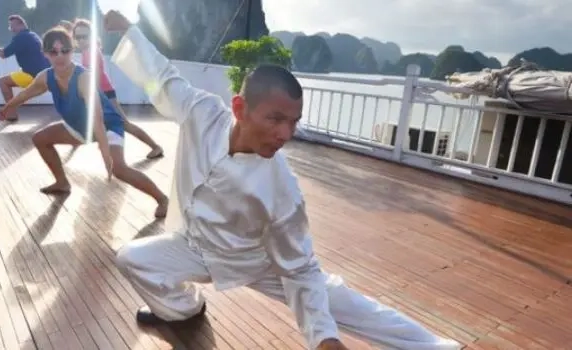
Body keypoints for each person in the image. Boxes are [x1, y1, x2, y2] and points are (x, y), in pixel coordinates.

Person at [102, 10, 462, 350]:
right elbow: (164, 79)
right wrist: (130, 31)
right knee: (131, 258)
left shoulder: (281, 186)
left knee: (337, 298)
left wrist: (323, 336)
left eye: (293, 122)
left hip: (254, 260)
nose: (285, 133)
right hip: (194, 245)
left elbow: (302, 268)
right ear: (240, 109)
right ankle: (182, 309)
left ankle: (434, 346)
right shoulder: (203, 114)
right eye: (275, 119)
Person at [0, 26, 169, 218]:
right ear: (45, 54)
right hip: (79, 128)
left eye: (65, 51)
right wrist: (8, 107)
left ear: (72, 51)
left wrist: (106, 155)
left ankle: (163, 199)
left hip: (107, 125)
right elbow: (25, 94)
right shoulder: (45, 77)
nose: (60, 56)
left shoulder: (84, 78)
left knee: (119, 169)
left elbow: (96, 118)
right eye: (54, 52)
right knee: (40, 138)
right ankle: (62, 183)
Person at [70, 18, 164, 159]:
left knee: (123, 123)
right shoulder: (87, 52)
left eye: (85, 36)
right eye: (78, 37)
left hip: (105, 94)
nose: (81, 40)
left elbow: (94, 78)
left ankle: (155, 147)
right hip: (100, 93)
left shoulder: (91, 52)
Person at [0, 15, 51, 121]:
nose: (11, 29)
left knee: (2, 82)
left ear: (22, 24)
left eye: (13, 26)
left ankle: (11, 114)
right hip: (46, 74)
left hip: (33, 75)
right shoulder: (32, 35)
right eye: (10, 27)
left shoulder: (21, 37)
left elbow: (3, 54)